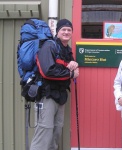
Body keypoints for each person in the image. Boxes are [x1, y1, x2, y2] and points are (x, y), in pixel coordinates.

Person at [30, 19, 79, 150]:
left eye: (69, 30)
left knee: (56, 133)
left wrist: (74, 66)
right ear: (57, 31)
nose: (66, 32)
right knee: (44, 134)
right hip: (47, 96)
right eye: (63, 29)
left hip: (60, 97)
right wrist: (70, 74)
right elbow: (47, 71)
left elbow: (72, 68)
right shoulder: (49, 46)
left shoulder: (67, 50)